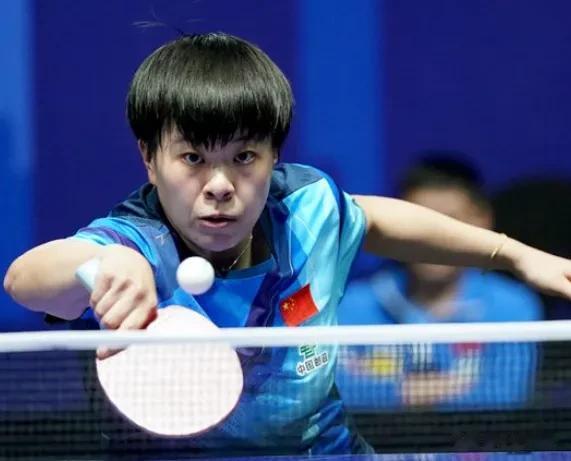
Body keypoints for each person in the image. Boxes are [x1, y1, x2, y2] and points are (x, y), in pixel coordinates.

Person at [3, 33, 571, 456]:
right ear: (149, 159)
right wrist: (105, 261)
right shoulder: (136, 241)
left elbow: (372, 218)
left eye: (244, 157)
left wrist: (512, 254)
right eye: (193, 158)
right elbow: (26, 280)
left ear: (274, 157)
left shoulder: (307, 210)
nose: (220, 185)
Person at [336, 154, 543, 410]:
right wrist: (448, 386)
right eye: (419, 224)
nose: (431, 239)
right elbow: (333, 391)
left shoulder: (512, 306)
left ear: (482, 222)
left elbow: (507, 393)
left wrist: (392, 391)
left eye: (450, 222)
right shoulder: (350, 304)